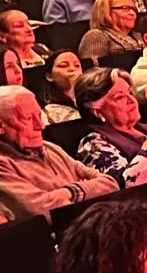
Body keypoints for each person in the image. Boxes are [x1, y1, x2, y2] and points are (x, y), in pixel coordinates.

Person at [0, 85, 117, 220]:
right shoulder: (3, 164)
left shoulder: (50, 148)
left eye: (39, 116)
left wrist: (69, 193)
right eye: (27, 119)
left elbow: (110, 184)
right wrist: (87, 189)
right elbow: (43, 212)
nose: (41, 126)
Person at [78, 0, 143, 61]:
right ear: (105, 11)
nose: (132, 13)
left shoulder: (138, 35)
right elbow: (93, 70)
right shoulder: (96, 36)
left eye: (133, 9)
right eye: (125, 8)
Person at [42, 48, 86, 124]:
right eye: (63, 65)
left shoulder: (91, 102)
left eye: (77, 65)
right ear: (49, 76)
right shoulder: (49, 112)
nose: (72, 69)